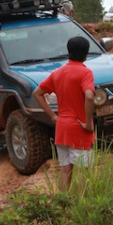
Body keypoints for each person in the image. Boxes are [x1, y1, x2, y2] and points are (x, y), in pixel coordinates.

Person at [32, 36, 95, 191]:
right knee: (83, 171)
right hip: (79, 128)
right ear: (86, 54)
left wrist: (53, 116)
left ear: (69, 52)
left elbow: (37, 93)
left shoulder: (58, 73)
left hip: (62, 127)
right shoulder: (85, 73)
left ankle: (62, 203)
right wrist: (87, 122)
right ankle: (82, 204)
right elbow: (89, 96)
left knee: (65, 170)